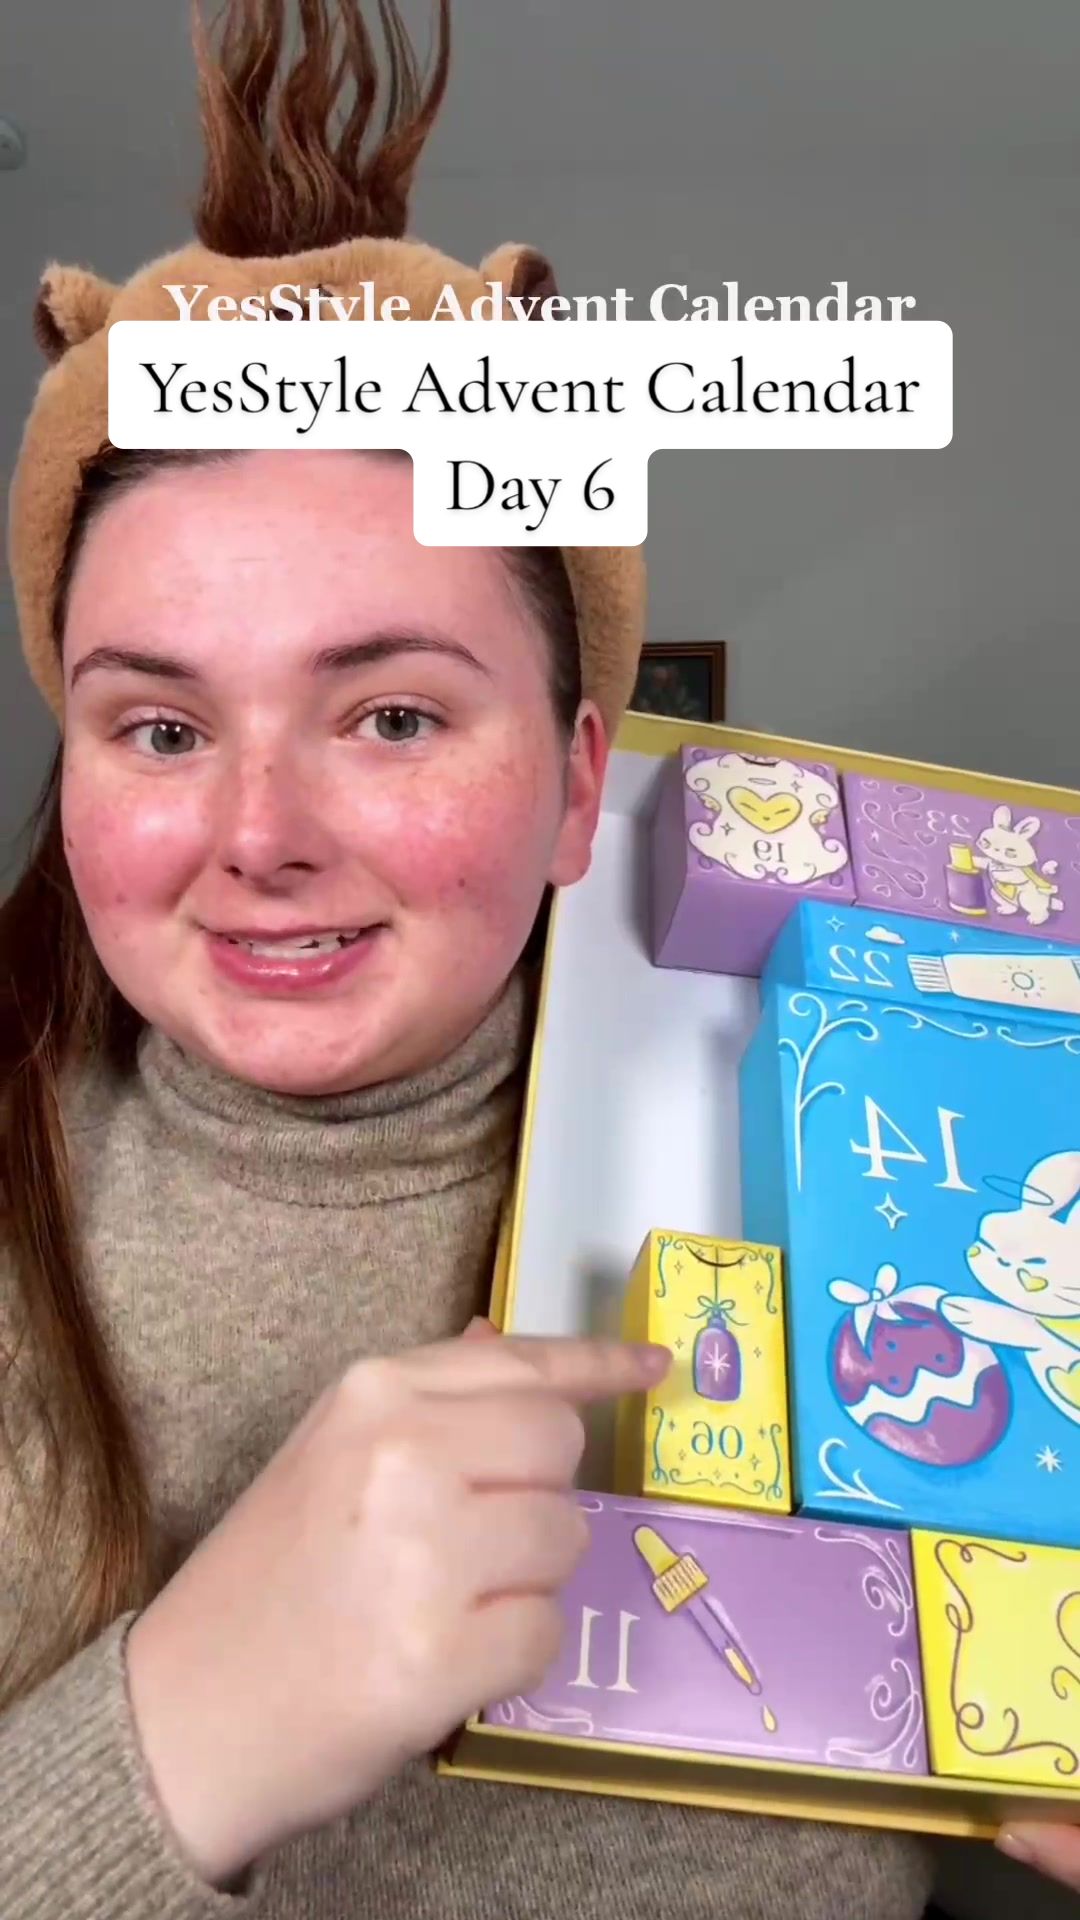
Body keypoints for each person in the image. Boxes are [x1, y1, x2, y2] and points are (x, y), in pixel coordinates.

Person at [0, 2, 1064, 1914]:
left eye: (393, 716)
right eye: (159, 727)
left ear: (580, 786)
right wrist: (172, 1732)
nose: (258, 831)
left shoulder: (903, 1179)